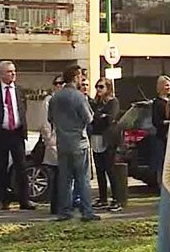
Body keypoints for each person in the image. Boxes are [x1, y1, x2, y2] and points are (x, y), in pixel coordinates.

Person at [48, 65, 99, 222]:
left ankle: (64, 211)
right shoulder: (78, 96)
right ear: (76, 77)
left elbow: (50, 119)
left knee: (65, 179)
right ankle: (87, 211)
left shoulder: (55, 97)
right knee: (82, 178)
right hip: (79, 142)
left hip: (62, 143)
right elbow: (89, 118)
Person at [0, 61, 35, 210]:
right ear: (1, 74)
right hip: (1, 133)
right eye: (9, 72)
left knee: (21, 167)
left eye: (14, 71)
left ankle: (24, 200)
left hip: (17, 133)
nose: (13, 74)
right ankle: (1, 199)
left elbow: (22, 109)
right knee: (0, 167)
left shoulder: (19, 90)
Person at [90, 78, 122, 212]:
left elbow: (110, 119)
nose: (98, 89)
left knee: (110, 168)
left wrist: (101, 117)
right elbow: (92, 117)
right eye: (97, 86)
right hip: (96, 137)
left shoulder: (113, 102)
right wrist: (99, 116)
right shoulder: (96, 103)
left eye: (101, 87)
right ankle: (103, 198)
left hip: (108, 138)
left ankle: (116, 199)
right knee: (99, 169)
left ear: (108, 88)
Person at [41, 75, 64, 214]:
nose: (60, 86)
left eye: (63, 83)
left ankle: (63, 204)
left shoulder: (66, 100)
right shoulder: (49, 101)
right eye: (58, 83)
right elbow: (45, 123)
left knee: (64, 175)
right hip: (54, 141)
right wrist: (49, 139)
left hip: (65, 141)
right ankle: (55, 206)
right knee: (55, 175)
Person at [152, 75, 170, 184]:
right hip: (162, 138)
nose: (169, 87)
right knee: (162, 164)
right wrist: (168, 122)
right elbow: (156, 121)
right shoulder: (157, 102)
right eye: (166, 85)